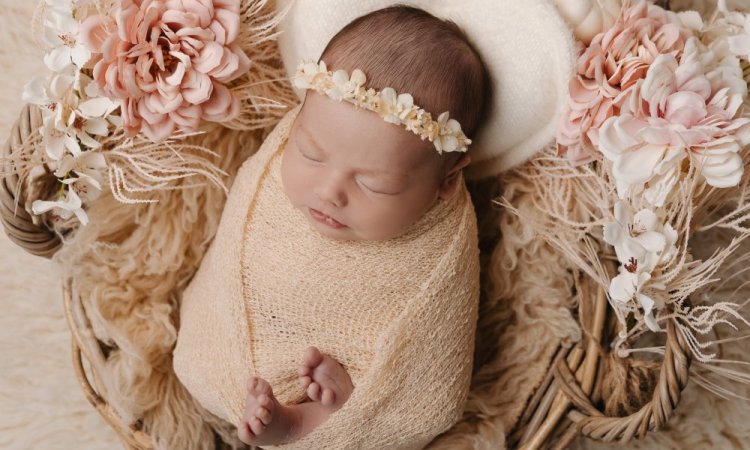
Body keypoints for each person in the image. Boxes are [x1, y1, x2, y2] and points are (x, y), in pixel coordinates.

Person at [173, 4, 491, 448]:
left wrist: (364, 394)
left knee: (373, 405)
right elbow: (234, 252)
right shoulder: (290, 143)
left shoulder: (442, 249)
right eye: (311, 153)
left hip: (347, 385)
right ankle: (273, 404)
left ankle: (318, 419)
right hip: (228, 345)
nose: (329, 192)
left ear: (448, 179)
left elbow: (432, 368)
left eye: (373, 184)